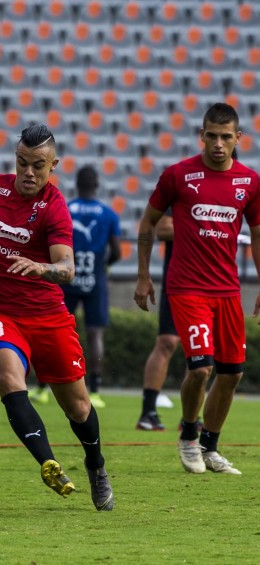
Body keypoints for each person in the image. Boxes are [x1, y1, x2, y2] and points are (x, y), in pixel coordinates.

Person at [0, 124, 114, 511]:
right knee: (7, 377)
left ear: (53, 166)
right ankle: (47, 461)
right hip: (1, 312)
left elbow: (67, 268)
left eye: (38, 166)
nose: (28, 173)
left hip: (49, 315)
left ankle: (96, 465)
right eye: (22, 163)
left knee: (79, 408)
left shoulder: (54, 206)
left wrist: (41, 267)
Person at [134, 102, 260, 475]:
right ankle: (189, 435)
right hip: (187, 287)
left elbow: (257, 235)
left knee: (232, 373)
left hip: (227, 291)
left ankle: (210, 446)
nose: (218, 143)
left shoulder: (250, 182)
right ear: (201, 136)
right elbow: (148, 221)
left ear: (238, 138)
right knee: (201, 368)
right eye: (211, 136)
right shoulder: (178, 176)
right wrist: (143, 274)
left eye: (225, 137)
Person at [53, 165, 121, 409]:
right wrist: (104, 266)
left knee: (55, 332)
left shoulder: (66, 209)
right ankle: (94, 390)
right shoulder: (108, 213)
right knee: (95, 335)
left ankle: (42, 386)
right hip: (95, 279)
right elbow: (118, 252)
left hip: (66, 278)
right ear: (96, 185)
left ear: (77, 185)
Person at [136, 212, 179, 431]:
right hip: (180, 280)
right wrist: (203, 229)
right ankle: (148, 412)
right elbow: (162, 229)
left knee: (205, 350)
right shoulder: (182, 184)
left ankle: (193, 417)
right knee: (167, 342)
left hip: (213, 282)